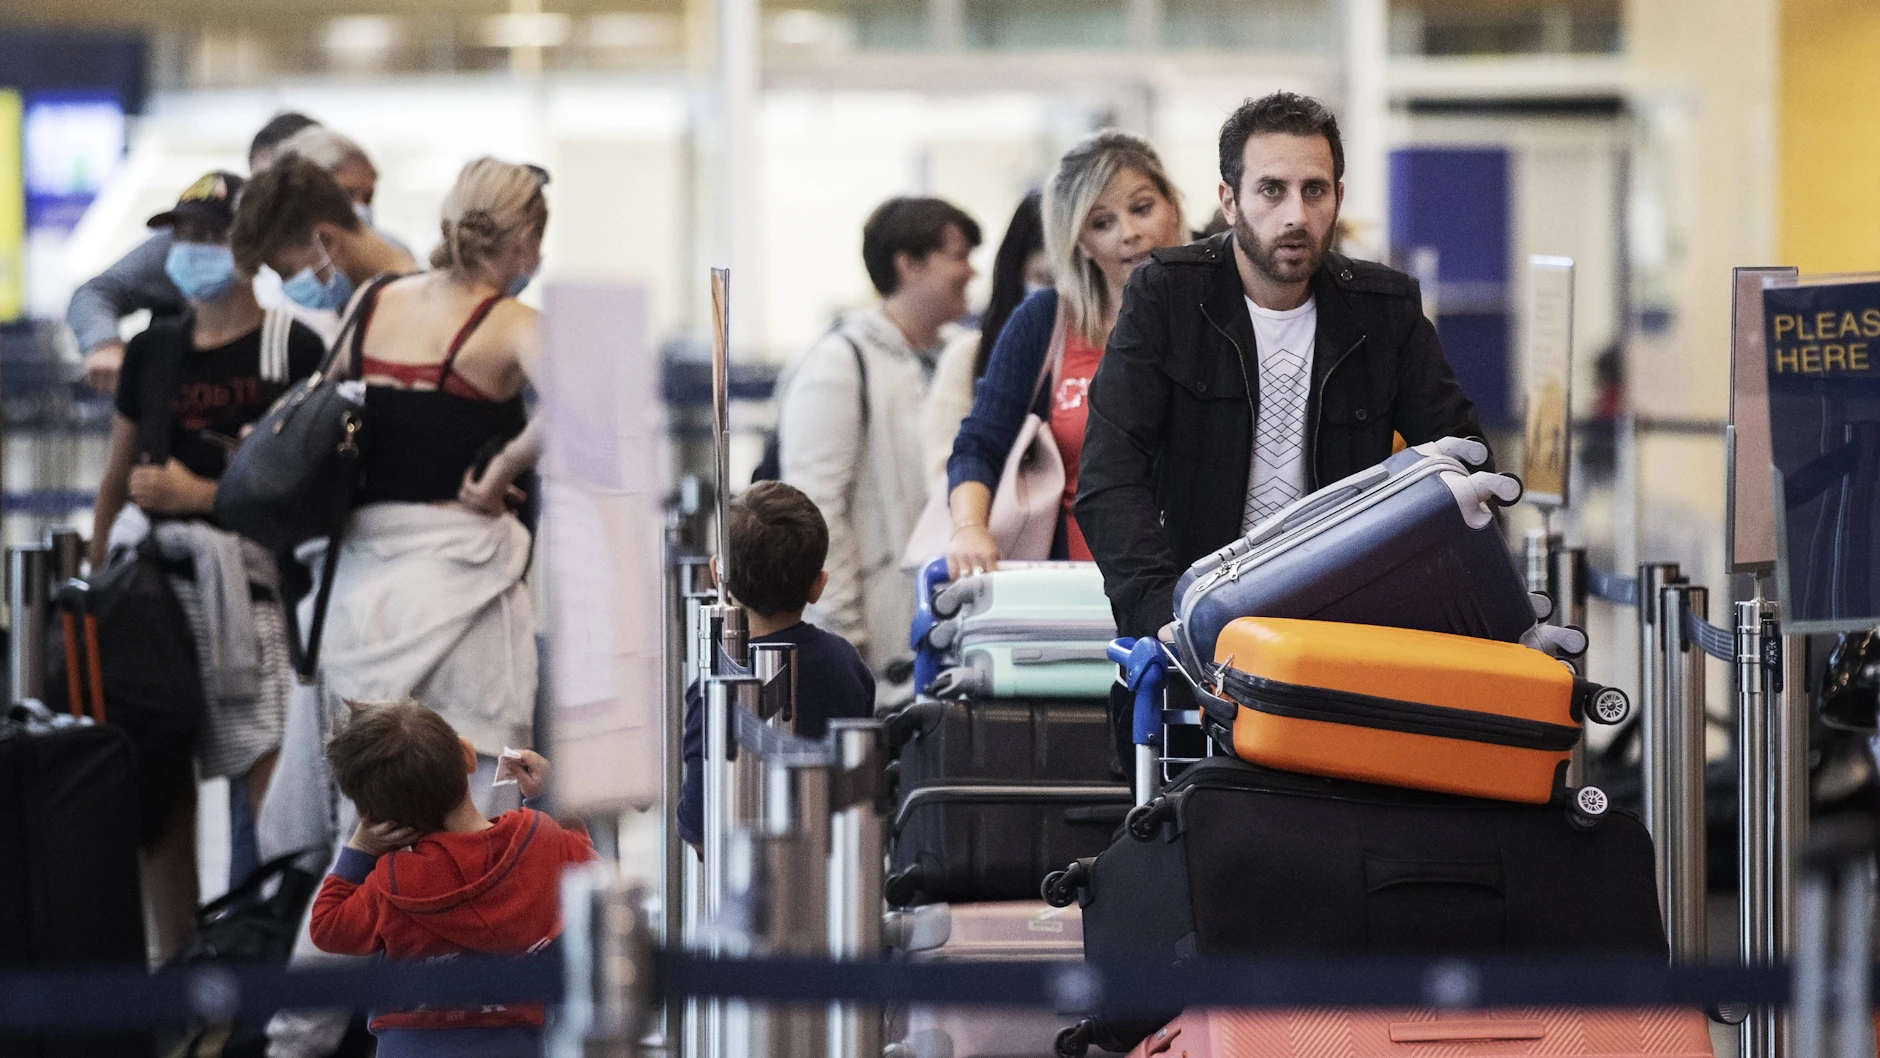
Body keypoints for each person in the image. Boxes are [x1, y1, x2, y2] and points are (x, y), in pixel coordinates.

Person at [259, 158, 547, 1058]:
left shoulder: (374, 302)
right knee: (482, 825)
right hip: (464, 593)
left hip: (359, 596)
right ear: (525, 237)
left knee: (366, 830)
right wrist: (501, 471)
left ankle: (299, 1039)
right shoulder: (510, 325)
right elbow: (593, 409)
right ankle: (469, 1024)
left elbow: (333, 422)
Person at [1076, 91, 1488, 647]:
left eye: (1313, 190)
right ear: (1229, 201)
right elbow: (1109, 476)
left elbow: (1460, 469)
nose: (1296, 215)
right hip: (1197, 615)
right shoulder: (1169, 294)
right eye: (1271, 190)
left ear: (1338, 198)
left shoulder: (1383, 310)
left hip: (1341, 623)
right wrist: (1162, 614)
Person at [87, 170, 327, 960]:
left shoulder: (290, 347)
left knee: (270, 786)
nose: (193, 249)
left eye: (210, 234)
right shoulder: (155, 349)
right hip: (153, 595)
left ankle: (268, 966)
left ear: (247, 245)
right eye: (183, 234)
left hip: (251, 593)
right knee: (160, 798)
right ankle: (181, 973)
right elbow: (116, 477)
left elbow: (305, 489)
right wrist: (95, 585)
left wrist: (202, 494)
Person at [945, 132, 1187, 575]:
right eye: (1102, 223)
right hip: (1073, 591)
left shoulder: (1221, 314)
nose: (1129, 234)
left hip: (1199, 587)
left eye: (1141, 208)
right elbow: (980, 444)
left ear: (1172, 205)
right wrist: (969, 527)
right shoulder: (1045, 321)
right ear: (1080, 244)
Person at [311, 700, 594, 1057]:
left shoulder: (391, 885)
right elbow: (588, 871)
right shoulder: (540, 838)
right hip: (520, 1045)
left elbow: (327, 926)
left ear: (375, 816)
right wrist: (549, 800)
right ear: (468, 756)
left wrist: (361, 850)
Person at [776, 196, 980, 680]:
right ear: (908, 264)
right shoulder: (840, 362)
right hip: (881, 647)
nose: (971, 271)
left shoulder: (965, 356)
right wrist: (845, 638)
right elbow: (817, 508)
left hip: (959, 633)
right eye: (958, 256)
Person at [677, 481, 875, 846]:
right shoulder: (846, 662)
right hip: (839, 867)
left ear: (718, 574)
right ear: (819, 585)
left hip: (744, 873)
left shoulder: (714, 688)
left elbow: (699, 826)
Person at [67, 111, 317, 395]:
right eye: (264, 181)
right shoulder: (158, 346)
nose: (273, 199)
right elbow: (97, 292)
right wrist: (104, 344)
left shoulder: (301, 332)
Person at [921, 190, 1050, 482]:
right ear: (1015, 272)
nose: (1059, 299)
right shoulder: (970, 355)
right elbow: (944, 474)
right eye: (1046, 279)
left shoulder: (1120, 354)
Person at [229, 154, 418, 315]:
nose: (287, 286)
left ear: (326, 241)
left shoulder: (411, 310)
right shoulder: (367, 305)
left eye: (288, 273)